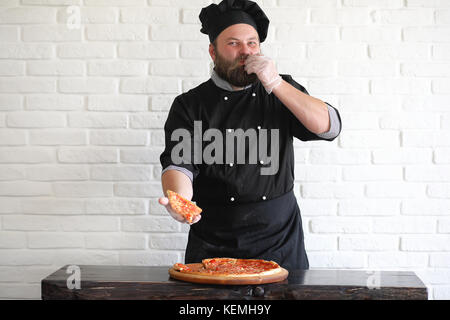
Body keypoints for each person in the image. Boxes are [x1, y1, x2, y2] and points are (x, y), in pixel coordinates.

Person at [158, 0, 341, 270]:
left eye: (252, 43)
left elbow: (329, 126)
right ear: (213, 51)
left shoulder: (281, 90)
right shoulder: (191, 104)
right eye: (233, 43)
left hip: (279, 241)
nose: (245, 51)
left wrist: (276, 83)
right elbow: (179, 165)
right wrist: (179, 200)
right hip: (213, 241)